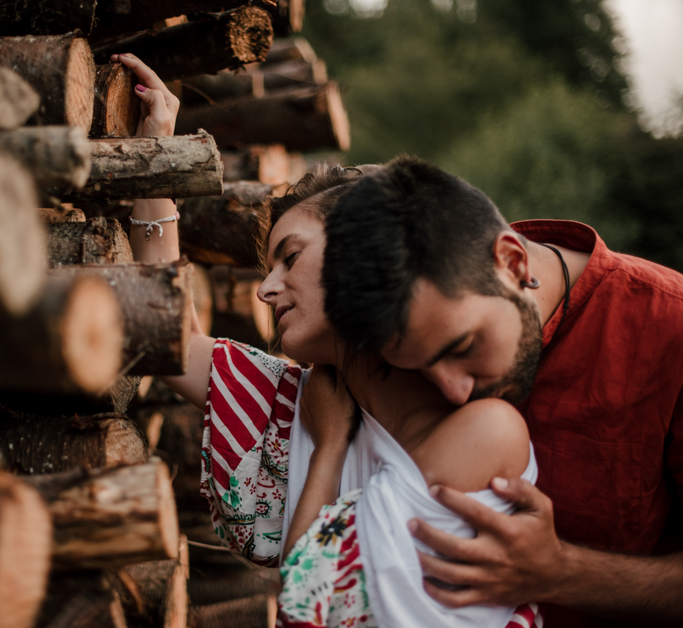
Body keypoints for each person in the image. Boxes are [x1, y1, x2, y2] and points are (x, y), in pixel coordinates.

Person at [112, 52, 542, 628]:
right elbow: (171, 334)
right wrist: (157, 151)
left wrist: (331, 445)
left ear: (363, 254)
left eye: (290, 257)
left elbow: (308, 603)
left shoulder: (484, 431)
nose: (265, 290)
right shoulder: (287, 398)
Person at [314, 157, 683, 626]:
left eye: (463, 347)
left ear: (512, 263)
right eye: (420, 369)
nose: (454, 392)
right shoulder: (408, 310)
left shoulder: (670, 329)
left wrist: (563, 572)